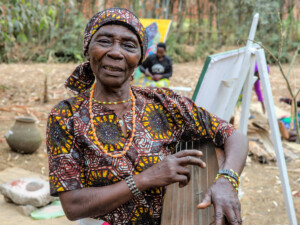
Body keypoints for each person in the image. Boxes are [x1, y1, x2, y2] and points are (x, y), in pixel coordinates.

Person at [46, 8, 248, 225]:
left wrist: (227, 180)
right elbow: (73, 205)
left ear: (140, 57)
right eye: (104, 41)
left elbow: (233, 135)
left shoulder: (164, 103)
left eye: (128, 45)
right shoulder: (66, 116)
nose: (116, 52)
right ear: (88, 49)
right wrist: (146, 179)